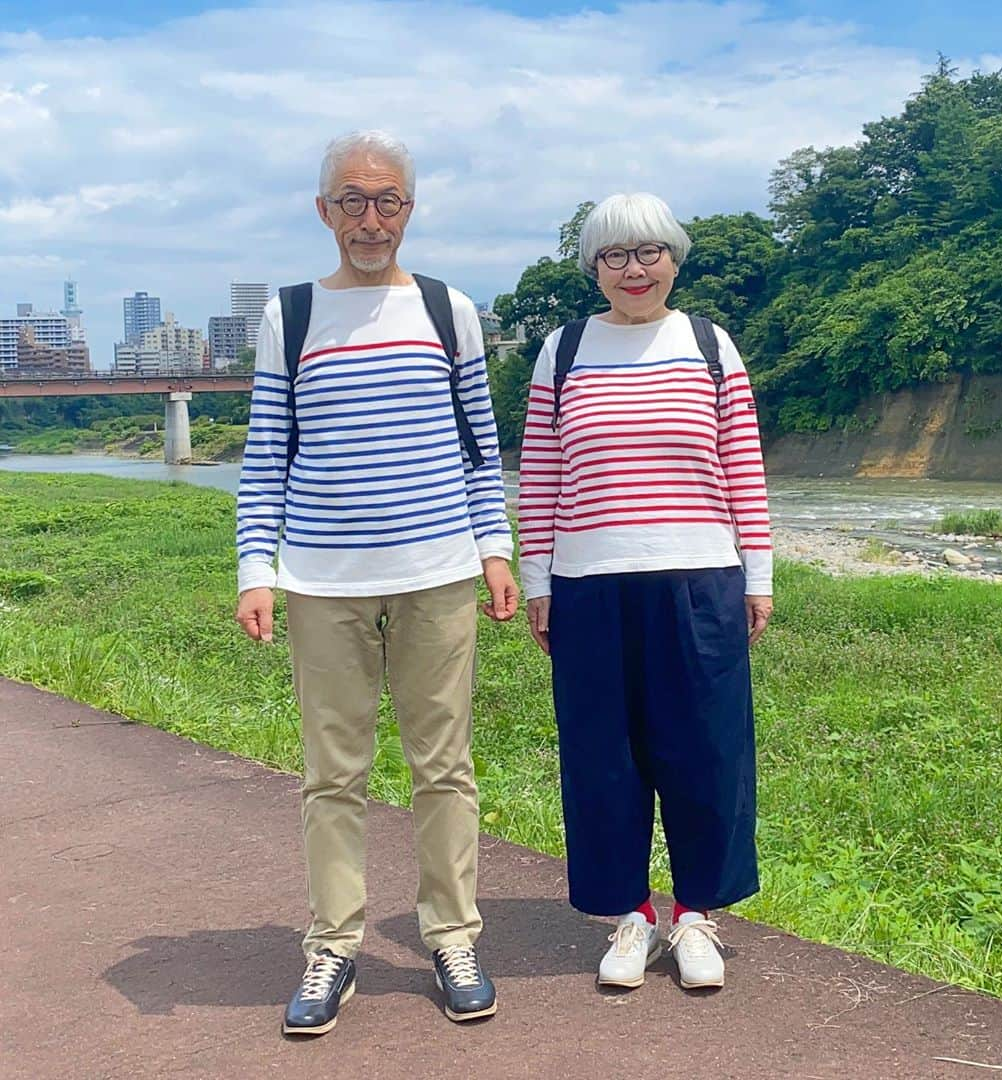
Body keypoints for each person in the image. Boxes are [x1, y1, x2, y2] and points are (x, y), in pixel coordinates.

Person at [234, 130, 518, 1035]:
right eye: (351, 200)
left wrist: (496, 548)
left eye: (386, 200)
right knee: (333, 774)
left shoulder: (448, 310)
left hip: (438, 574)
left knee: (444, 767)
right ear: (324, 211)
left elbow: (482, 447)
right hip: (323, 579)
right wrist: (257, 568)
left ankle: (452, 934)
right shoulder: (292, 314)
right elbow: (266, 452)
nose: (370, 218)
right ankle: (334, 945)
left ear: (408, 209)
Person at [518, 192, 773, 992]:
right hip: (588, 582)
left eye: (650, 252)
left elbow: (743, 465)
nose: (635, 271)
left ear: (674, 258)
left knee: (707, 749)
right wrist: (538, 581)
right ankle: (631, 915)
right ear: (593, 267)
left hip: (700, 577)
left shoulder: (708, 344)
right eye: (615, 256)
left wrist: (758, 576)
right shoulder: (561, 351)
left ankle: (697, 917)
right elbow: (543, 473)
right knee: (602, 757)